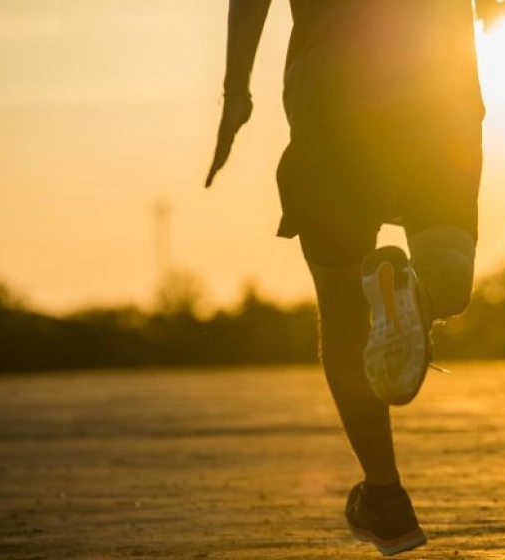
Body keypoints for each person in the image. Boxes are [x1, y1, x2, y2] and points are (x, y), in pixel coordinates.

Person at [206, 1, 484, 555]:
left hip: (330, 98)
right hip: (438, 93)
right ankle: (416, 295)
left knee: (340, 305)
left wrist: (237, 91)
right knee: (447, 268)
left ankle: (384, 496)